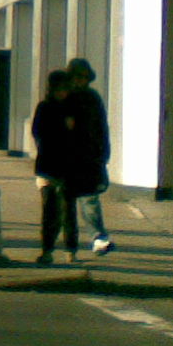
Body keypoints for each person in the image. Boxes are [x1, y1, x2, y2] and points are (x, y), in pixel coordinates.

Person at [64, 57, 114, 256]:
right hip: (67, 158)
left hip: (89, 157)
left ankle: (98, 237)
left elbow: (102, 127)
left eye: (84, 77)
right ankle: (71, 246)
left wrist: (104, 152)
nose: (81, 80)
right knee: (67, 205)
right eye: (78, 77)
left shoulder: (93, 98)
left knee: (90, 198)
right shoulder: (64, 97)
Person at [31, 70, 78, 264]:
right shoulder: (44, 107)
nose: (62, 92)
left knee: (68, 211)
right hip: (48, 166)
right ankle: (47, 250)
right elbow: (37, 133)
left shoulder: (72, 108)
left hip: (68, 167)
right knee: (49, 211)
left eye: (65, 88)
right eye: (59, 89)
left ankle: (70, 249)